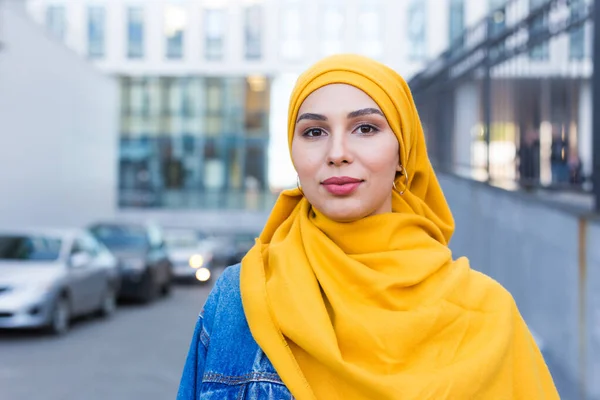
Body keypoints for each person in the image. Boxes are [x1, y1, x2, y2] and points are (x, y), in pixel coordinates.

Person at [177, 54, 559, 399]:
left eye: (365, 128)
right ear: (293, 151)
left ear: (402, 151)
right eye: (314, 132)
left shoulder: (488, 313)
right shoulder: (239, 299)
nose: (338, 153)